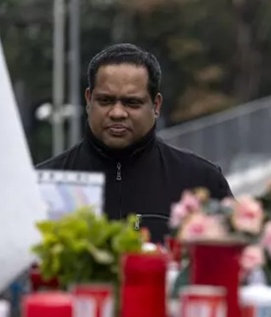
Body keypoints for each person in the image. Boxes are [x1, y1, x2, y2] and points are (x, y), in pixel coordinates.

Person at [35, 43, 232, 243]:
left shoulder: (201, 181)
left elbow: (237, 255)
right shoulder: (42, 185)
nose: (117, 113)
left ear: (156, 105)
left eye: (132, 103)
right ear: (88, 100)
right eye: (105, 101)